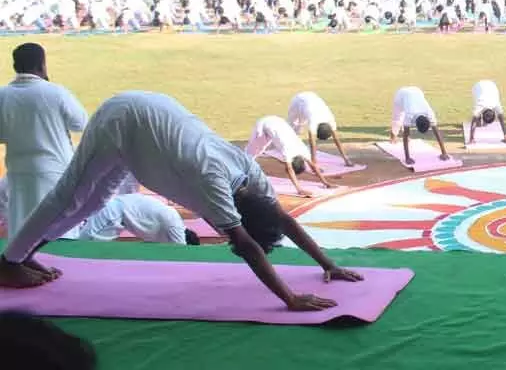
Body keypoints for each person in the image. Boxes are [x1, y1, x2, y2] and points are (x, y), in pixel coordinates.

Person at [0, 91, 364, 311]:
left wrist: (327, 264)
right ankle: (9, 261)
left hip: (146, 131)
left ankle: (24, 253)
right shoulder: (216, 186)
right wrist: (290, 298)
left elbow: (283, 220)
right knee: (71, 196)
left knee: (92, 204)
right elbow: (247, 245)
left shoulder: (251, 180)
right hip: (124, 120)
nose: (229, 242)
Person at [0, 43, 89, 235]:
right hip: (54, 173)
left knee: (22, 236)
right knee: (59, 235)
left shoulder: (3, 96)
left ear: (16, 67)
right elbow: (80, 123)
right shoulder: (55, 92)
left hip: (18, 174)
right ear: (41, 65)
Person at [244, 115, 334, 197]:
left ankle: (246, 165)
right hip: (264, 124)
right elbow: (290, 169)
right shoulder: (288, 152)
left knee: (261, 148)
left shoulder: (303, 150)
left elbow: (313, 166)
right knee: (252, 151)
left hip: (277, 122)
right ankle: (242, 169)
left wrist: (326, 183)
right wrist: (299, 189)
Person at [78, 193, 201, 246]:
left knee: (85, 245)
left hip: (116, 214)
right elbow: (181, 252)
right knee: (82, 245)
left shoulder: (172, 222)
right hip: (113, 214)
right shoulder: (175, 225)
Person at [286, 91, 353, 167]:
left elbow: (337, 140)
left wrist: (346, 158)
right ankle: (286, 147)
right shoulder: (314, 121)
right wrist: (314, 162)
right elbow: (312, 142)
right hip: (297, 101)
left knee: (299, 129)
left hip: (309, 100)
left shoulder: (330, 120)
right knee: (292, 127)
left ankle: (294, 145)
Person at [390, 86, 449, 167]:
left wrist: (444, 153)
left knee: (404, 123)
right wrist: (407, 158)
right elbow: (405, 136)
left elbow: (437, 132)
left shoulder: (429, 114)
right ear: (415, 125)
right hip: (401, 94)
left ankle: (396, 134)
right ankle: (393, 136)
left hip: (417, 91)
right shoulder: (409, 114)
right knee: (398, 118)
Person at [469, 79, 506, 144]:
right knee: (477, 116)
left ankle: (480, 121)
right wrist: (471, 139)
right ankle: (479, 120)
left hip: (492, 85)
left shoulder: (496, 104)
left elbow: (501, 119)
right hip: (478, 86)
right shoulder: (480, 104)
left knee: (477, 114)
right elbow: (473, 120)